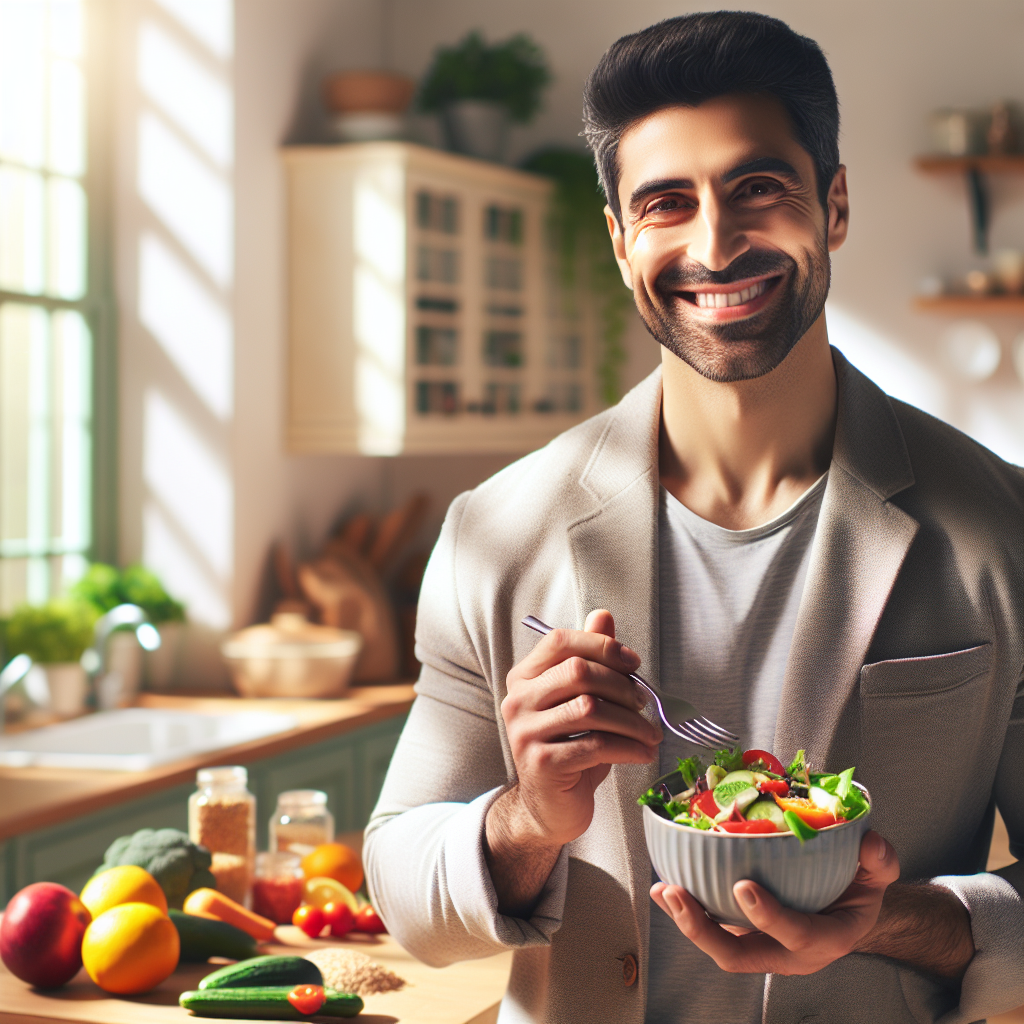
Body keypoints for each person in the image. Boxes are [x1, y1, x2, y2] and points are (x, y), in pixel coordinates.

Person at [364, 12, 1023, 1023]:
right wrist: (530, 818)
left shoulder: (1000, 529)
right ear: (622, 241)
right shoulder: (494, 532)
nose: (714, 244)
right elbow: (405, 889)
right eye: (666, 203)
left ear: (834, 204)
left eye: (757, 188)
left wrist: (886, 918)